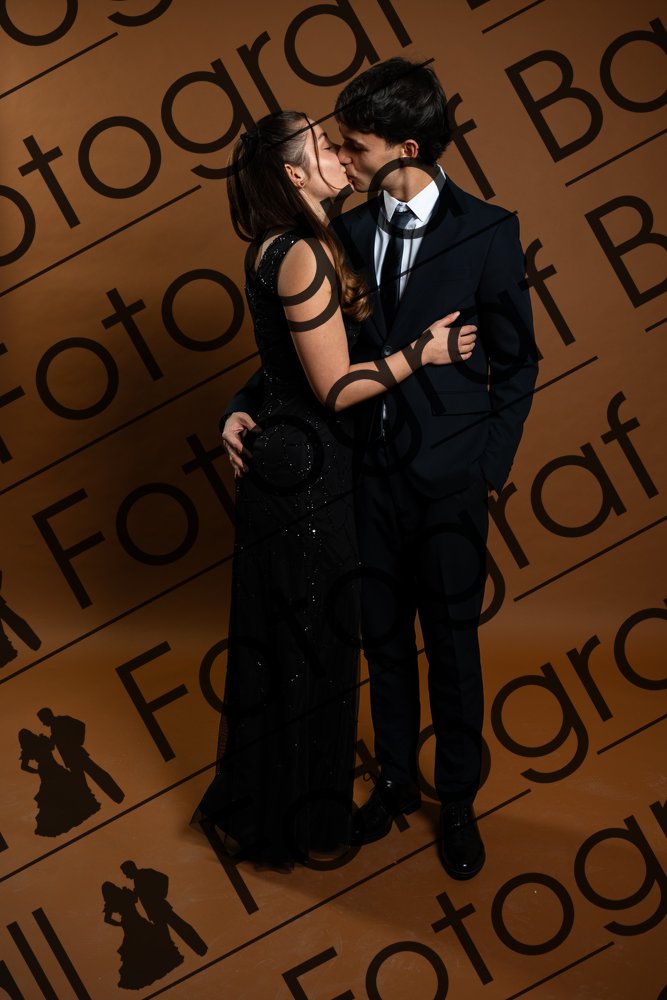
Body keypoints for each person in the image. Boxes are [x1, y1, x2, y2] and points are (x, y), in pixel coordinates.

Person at [222, 60, 538, 879]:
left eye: (351, 144)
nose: (339, 153)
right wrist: (238, 403)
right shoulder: (343, 230)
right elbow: (305, 351)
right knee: (383, 643)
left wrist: (485, 469)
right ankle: (396, 780)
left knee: (451, 648)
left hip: (449, 482)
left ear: (405, 149)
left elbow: (518, 362)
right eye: (331, 142)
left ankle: (457, 800)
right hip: (358, 475)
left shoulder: (488, 231)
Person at [191, 108, 476, 870]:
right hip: (308, 471)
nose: (338, 152)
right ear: (292, 173)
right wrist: (422, 353)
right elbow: (331, 386)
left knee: (292, 643)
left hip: (304, 458)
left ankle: (276, 802)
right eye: (322, 143)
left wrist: (238, 405)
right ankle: (291, 818)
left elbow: (281, 359)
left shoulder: (298, 241)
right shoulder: (302, 254)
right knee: (308, 646)